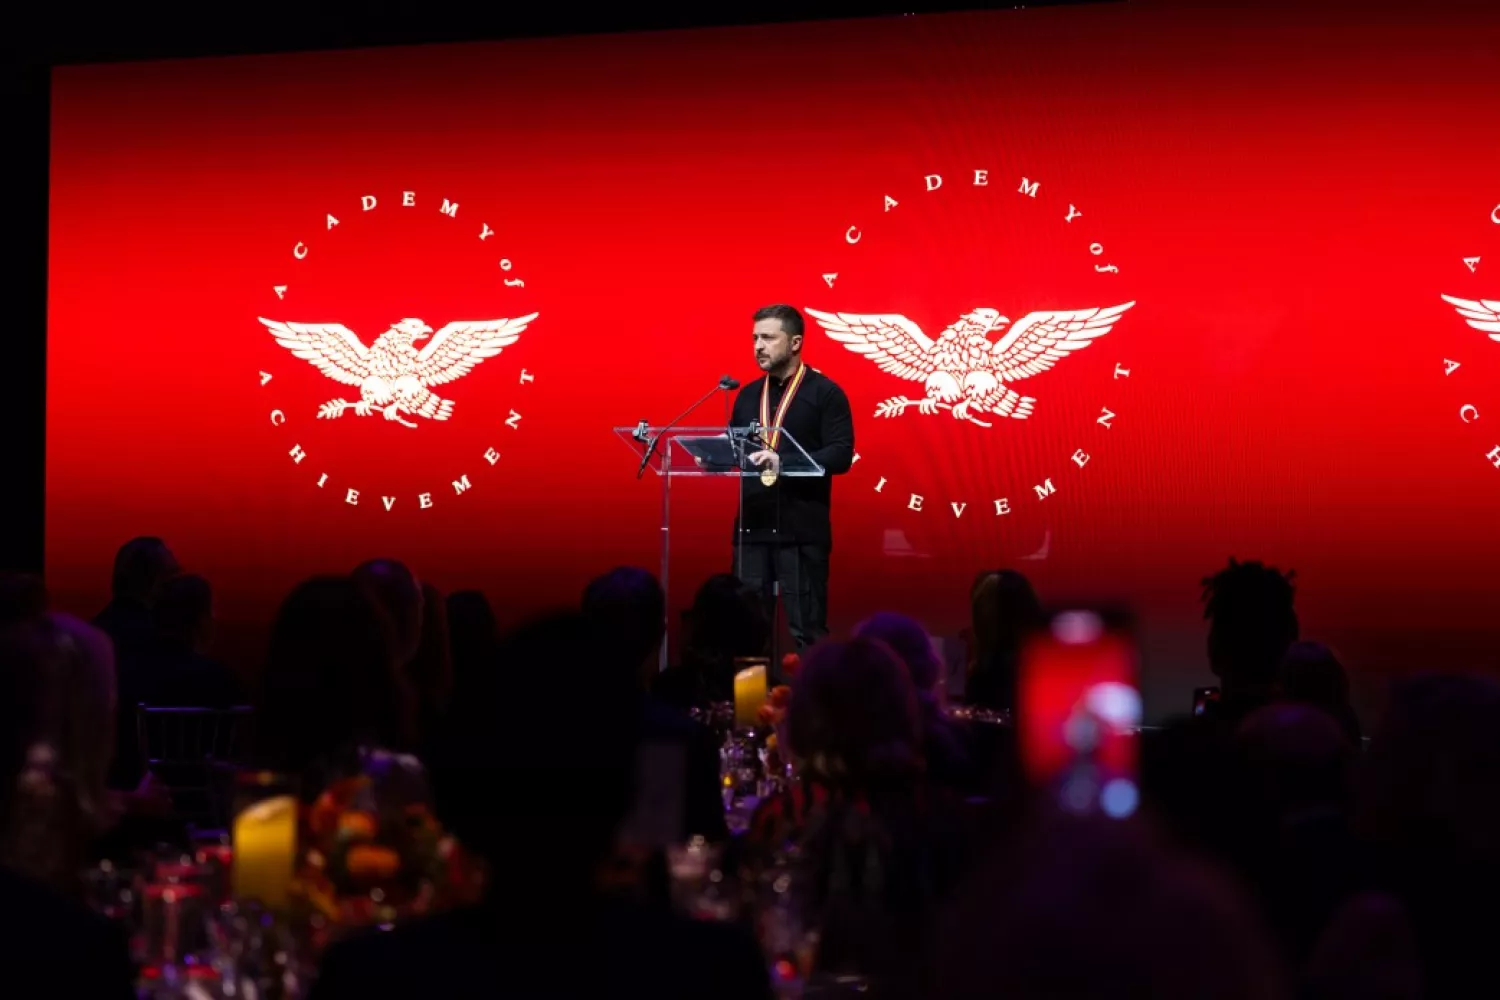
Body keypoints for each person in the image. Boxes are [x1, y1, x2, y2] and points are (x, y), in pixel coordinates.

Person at [731, 304, 855, 650]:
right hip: (752, 529)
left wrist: (782, 461)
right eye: (755, 338)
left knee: (807, 633)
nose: (758, 345)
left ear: (795, 342)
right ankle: (750, 705)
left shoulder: (825, 394)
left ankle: (812, 703)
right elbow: (735, 449)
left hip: (801, 530)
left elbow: (840, 455)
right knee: (746, 635)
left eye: (768, 338)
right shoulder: (746, 396)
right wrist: (713, 456)